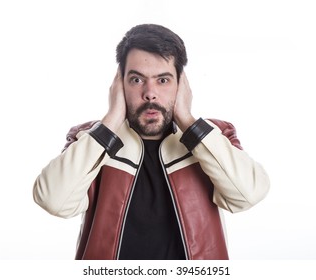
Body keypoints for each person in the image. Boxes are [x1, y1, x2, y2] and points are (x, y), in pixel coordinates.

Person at [33, 24, 270, 260]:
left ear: (181, 84)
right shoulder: (91, 138)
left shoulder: (214, 135)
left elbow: (247, 195)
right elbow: (54, 201)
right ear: (119, 84)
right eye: (136, 80)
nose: (150, 93)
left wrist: (188, 121)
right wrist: (111, 119)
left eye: (163, 80)